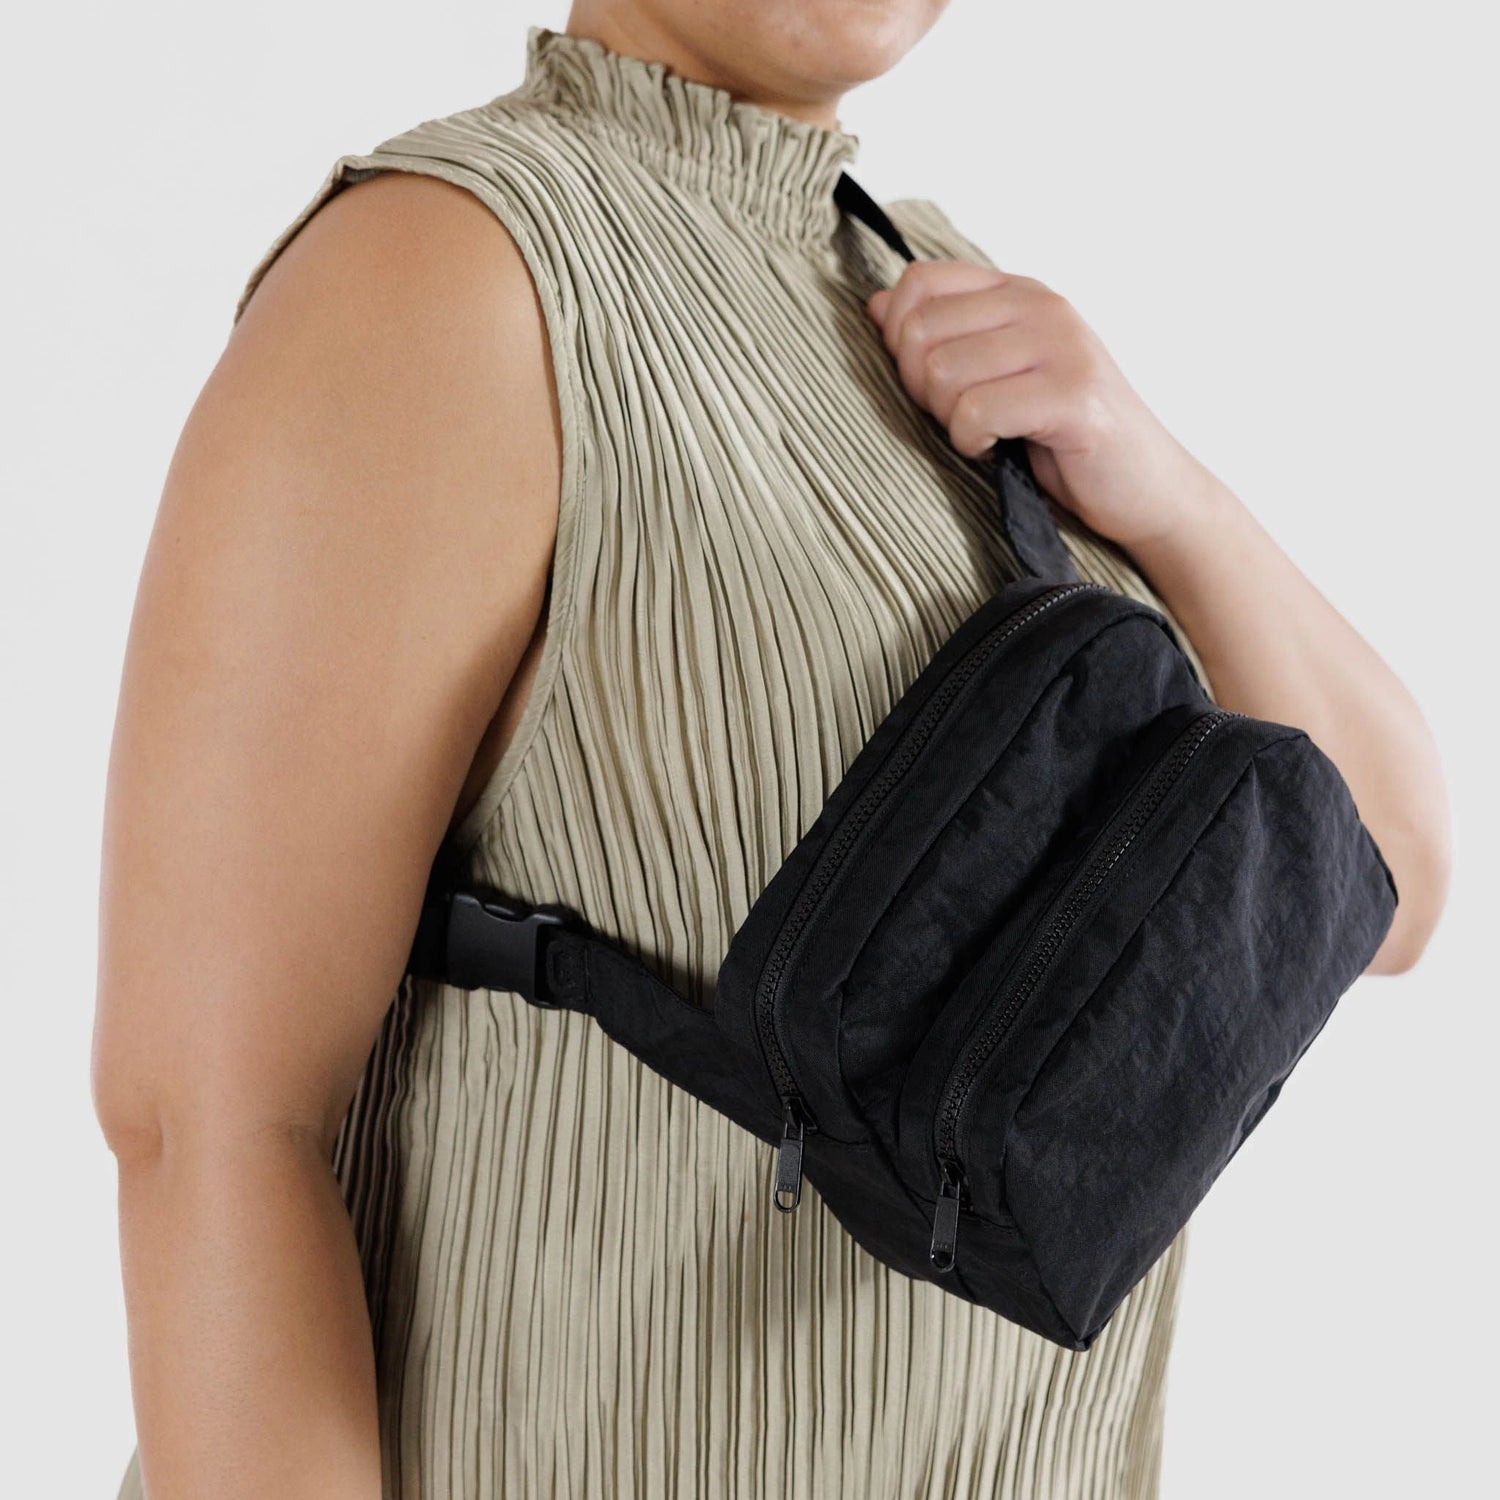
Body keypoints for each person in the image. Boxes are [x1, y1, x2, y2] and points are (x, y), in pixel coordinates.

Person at [94, 8, 1450, 1499]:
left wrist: (1169, 490)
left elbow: (1384, 878)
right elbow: (212, 1122)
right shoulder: (447, 276)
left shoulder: (926, 288)